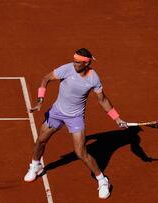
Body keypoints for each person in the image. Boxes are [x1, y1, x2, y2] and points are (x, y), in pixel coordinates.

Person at [24, 48, 128, 199]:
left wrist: (117, 118)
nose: (74, 64)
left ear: (86, 64)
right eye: (74, 60)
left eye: (78, 62)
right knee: (40, 140)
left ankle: (102, 180)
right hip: (57, 113)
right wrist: (40, 100)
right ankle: (35, 166)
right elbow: (46, 78)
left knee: (80, 152)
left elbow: (103, 100)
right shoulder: (66, 69)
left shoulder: (94, 79)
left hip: (75, 117)